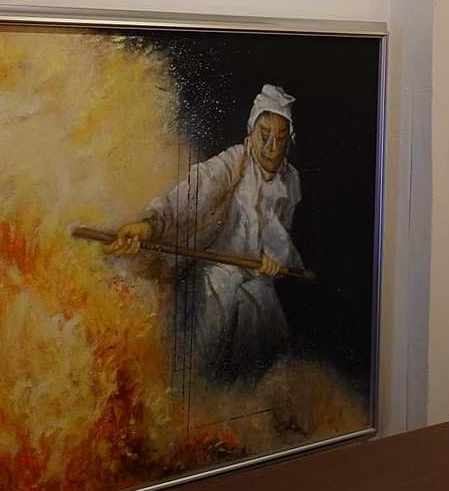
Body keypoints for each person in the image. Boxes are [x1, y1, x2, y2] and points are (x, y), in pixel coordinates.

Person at [107, 84, 303, 384]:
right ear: (251, 132)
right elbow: (192, 193)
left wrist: (274, 260)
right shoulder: (232, 163)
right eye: (264, 135)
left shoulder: (291, 181)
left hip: (256, 277)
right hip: (214, 271)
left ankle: (246, 396)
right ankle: (191, 386)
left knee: (268, 326)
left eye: (280, 137)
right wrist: (151, 224)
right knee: (214, 317)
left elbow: (281, 234)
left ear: (289, 139)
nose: (271, 146)